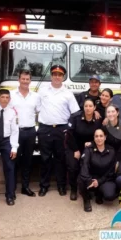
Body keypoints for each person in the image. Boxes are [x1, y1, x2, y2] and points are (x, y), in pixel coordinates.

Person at [37, 64, 80, 197]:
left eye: (59, 75)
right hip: (45, 129)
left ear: (63, 77)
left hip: (61, 130)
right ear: (51, 76)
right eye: (54, 74)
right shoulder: (42, 91)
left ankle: (61, 186)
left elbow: (75, 112)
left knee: (61, 159)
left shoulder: (68, 93)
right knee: (44, 159)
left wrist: (69, 128)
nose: (57, 77)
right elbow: (37, 108)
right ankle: (44, 186)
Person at [10, 69, 40, 197]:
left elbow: (39, 112)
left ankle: (25, 187)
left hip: (30, 131)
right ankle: (11, 189)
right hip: (16, 132)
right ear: (19, 80)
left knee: (28, 161)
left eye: (27, 79)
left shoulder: (35, 96)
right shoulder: (11, 95)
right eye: (23, 79)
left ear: (30, 81)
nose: (25, 81)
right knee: (14, 161)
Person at [65, 99, 102, 200]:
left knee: (88, 167)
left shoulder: (98, 119)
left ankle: (88, 188)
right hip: (74, 146)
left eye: (90, 106)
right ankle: (73, 189)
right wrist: (76, 150)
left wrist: (93, 143)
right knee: (73, 167)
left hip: (90, 148)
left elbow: (101, 135)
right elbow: (69, 135)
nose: (88, 108)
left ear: (94, 108)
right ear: (83, 107)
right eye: (86, 106)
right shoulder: (75, 117)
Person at [0, 89, 19, 206]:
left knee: (10, 168)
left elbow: (15, 131)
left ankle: (10, 195)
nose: (5, 99)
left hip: (6, 141)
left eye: (7, 97)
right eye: (3, 97)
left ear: (9, 99)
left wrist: (14, 148)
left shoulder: (12, 112)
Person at [79, 129, 117, 212]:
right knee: (81, 179)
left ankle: (99, 193)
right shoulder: (89, 149)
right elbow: (84, 165)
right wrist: (89, 180)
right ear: (94, 138)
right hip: (91, 177)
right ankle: (86, 200)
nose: (99, 138)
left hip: (104, 178)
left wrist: (99, 181)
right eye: (96, 136)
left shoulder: (111, 151)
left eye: (101, 136)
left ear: (105, 137)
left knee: (110, 195)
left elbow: (111, 171)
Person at [102, 105, 121, 176]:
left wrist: (117, 160)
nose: (110, 114)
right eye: (108, 112)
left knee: (119, 171)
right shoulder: (104, 127)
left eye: (113, 111)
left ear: (117, 113)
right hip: (109, 153)